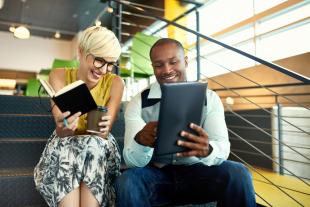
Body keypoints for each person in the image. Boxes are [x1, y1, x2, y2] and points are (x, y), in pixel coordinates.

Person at [115, 38, 256, 207]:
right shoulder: (138, 102)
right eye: (159, 65)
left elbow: (222, 147)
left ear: (186, 61)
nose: (167, 70)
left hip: (198, 173)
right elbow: (132, 161)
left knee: (239, 173)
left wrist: (208, 150)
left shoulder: (209, 98)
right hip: (156, 176)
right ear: (153, 67)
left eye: (173, 62)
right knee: (127, 181)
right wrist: (140, 141)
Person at [34, 26, 124, 207]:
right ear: (81, 52)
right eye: (99, 61)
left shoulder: (115, 83)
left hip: (98, 147)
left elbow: (103, 135)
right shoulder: (59, 75)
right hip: (65, 144)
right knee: (70, 146)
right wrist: (64, 126)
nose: (104, 69)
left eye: (110, 64)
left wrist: (103, 126)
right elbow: (62, 131)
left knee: (93, 145)